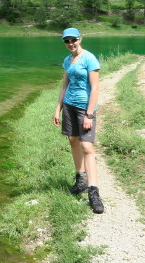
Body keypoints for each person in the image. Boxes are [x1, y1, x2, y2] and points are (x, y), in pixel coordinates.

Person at [53, 27, 105, 214]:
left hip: (85, 108)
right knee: (73, 140)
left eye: (73, 40)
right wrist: (58, 109)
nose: (70, 44)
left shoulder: (89, 59)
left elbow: (96, 87)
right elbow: (64, 85)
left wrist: (89, 114)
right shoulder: (68, 60)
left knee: (87, 147)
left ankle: (93, 192)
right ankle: (80, 179)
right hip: (69, 105)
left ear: (80, 39)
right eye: (66, 41)